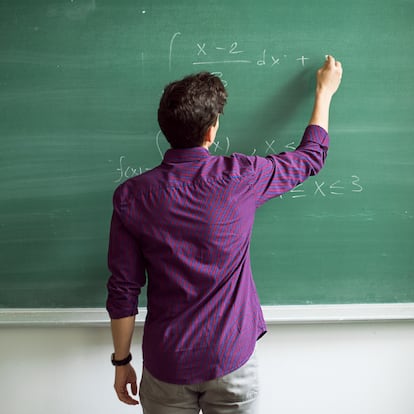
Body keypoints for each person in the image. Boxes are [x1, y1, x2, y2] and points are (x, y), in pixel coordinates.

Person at [106, 55, 343, 413]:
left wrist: (121, 362)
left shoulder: (132, 197)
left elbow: (124, 288)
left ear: (164, 128)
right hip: (231, 358)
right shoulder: (241, 177)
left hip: (168, 362)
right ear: (211, 130)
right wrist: (324, 93)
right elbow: (311, 157)